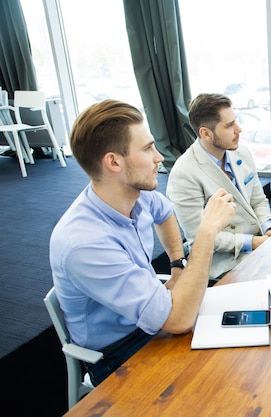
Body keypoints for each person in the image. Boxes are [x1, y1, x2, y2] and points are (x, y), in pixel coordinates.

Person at [49, 100, 236, 385]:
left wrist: (177, 265)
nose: (159, 157)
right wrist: (207, 231)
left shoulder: (135, 192)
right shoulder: (84, 244)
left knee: (237, 353)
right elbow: (179, 320)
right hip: (118, 352)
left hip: (153, 322)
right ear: (114, 162)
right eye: (148, 148)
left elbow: (165, 213)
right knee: (217, 382)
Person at [167, 93, 271, 281]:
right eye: (229, 125)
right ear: (205, 133)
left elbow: (258, 201)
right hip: (225, 262)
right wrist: (252, 242)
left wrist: (268, 228)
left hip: (261, 243)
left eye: (235, 121)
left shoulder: (242, 153)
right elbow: (199, 239)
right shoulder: (184, 173)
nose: (239, 129)